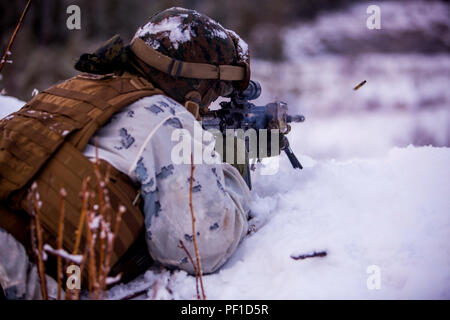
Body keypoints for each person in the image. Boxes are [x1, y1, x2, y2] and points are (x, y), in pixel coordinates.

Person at [0, 7, 252, 299]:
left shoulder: (76, 88)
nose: (211, 104)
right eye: (215, 90)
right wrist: (231, 171)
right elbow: (202, 247)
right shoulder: (165, 117)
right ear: (195, 84)